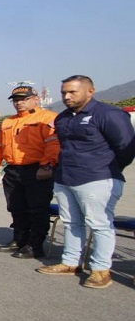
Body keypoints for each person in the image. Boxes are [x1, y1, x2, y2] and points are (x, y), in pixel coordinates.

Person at [38, 75, 135, 288]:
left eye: (72, 92)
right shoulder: (63, 118)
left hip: (97, 178)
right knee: (72, 222)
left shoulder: (108, 114)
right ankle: (70, 263)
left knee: (99, 224)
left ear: (90, 91)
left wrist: (104, 169)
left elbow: (126, 148)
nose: (67, 96)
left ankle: (101, 270)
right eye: (64, 92)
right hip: (65, 178)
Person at [0, 86, 59, 259]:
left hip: (37, 169)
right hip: (13, 170)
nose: (19, 103)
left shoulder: (47, 118)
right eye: (16, 100)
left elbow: (53, 144)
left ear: (36, 99)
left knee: (37, 208)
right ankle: (19, 239)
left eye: (23, 99)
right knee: (16, 207)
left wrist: (47, 166)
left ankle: (35, 244)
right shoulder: (7, 122)